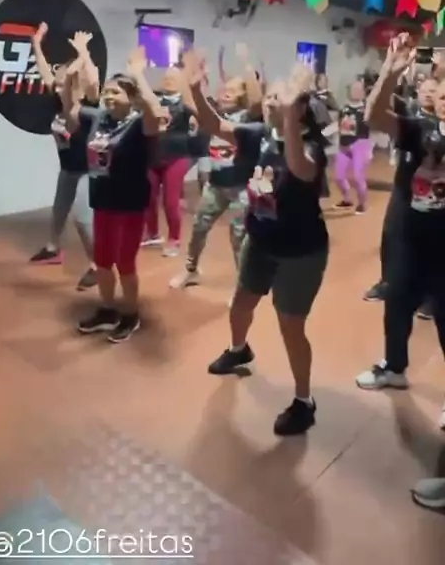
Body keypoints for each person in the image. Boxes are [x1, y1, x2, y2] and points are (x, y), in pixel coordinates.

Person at [196, 60, 329, 436]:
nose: (270, 102)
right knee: (240, 304)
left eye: (279, 98)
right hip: (260, 240)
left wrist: (289, 119)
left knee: (291, 326)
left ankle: (304, 401)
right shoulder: (260, 134)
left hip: (300, 251)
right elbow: (215, 126)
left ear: (298, 109)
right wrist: (194, 91)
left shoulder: (311, 145)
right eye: (270, 97)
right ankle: (239, 349)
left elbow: (300, 169)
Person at [356, 34, 445, 430]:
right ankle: (394, 367)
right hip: (410, 237)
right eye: (442, 93)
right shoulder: (419, 128)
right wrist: (389, 73)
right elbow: (375, 117)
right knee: (396, 303)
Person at [63, 46, 161, 343]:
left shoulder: (140, 123)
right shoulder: (99, 118)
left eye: (116, 92)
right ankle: (107, 310)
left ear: (131, 98)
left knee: (125, 263)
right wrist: (69, 81)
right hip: (102, 199)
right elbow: (70, 112)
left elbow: (155, 110)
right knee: (103, 261)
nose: (108, 96)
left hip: (130, 203)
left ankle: (130, 315)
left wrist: (138, 74)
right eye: (106, 91)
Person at [169, 45, 263, 290]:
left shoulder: (248, 118)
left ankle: (243, 285)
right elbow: (190, 102)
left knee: (238, 234)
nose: (226, 94)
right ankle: (191, 270)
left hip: (242, 187)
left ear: (243, 95)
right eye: (225, 90)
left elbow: (257, 101)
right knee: (199, 227)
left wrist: (248, 66)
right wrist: (186, 71)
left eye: (233, 91)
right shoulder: (214, 115)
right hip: (216, 185)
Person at [28, 24, 99, 290]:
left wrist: (83, 53)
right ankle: (53, 248)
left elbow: (93, 80)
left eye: (63, 81)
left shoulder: (89, 103)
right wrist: (36, 42)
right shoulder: (58, 101)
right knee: (58, 211)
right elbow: (43, 69)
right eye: (56, 81)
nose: (57, 85)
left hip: (89, 170)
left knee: (82, 218)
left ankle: (98, 265)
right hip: (68, 167)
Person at [363, 76, 437, 307]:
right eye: (425, 90)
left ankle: (430, 294)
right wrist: (389, 74)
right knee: (392, 236)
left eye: (434, 91)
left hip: (432, 198)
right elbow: (377, 113)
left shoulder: (437, 125)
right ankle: (388, 282)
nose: (429, 94)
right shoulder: (411, 115)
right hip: (404, 189)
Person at [141, 67, 193, 257]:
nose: (168, 80)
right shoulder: (155, 100)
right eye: (166, 78)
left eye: (173, 78)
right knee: (147, 198)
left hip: (176, 157)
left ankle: (174, 239)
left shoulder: (186, 104)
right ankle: (153, 233)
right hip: (152, 157)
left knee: (171, 202)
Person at [334, 79, 372, 214]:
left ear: (363, 92)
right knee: (339, 177)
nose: (355, 92)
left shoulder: (367, 109)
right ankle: (347, 199)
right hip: (344, 145)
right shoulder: (343, 109)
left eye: (358, 89)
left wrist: (368, 149)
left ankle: (362, 204)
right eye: (353, 89)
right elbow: (339, 126)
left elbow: (372, 125)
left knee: (358, 177)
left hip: (360, 144)